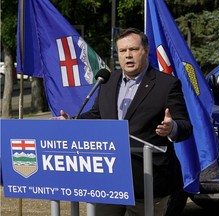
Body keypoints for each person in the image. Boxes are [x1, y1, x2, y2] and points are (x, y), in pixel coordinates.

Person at [52, 27, 192, 216]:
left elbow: (185, 126)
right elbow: (97, 114)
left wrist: (171, 127)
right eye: (122, 51)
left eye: (133, 49)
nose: (128, 56)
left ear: (146, 51)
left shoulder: (167, 84)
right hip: (110, 179)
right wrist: (73, 121)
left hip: (148, 180)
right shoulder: (107, 81)